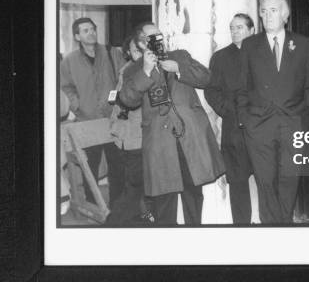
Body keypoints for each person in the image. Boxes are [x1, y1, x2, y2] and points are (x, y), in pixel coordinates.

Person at [118, 22, 225, 224]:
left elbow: (207, 78)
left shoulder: (180, 56)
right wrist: (146, 72)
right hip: (160, 142)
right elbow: (127, 99)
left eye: (160, 35)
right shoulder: (133, 70)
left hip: (189, 137)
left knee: (193, 193)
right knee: (164, 200)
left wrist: (180, 69)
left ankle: (194, 234)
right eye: (152, 37)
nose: (159, 39)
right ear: (142, 43)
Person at [236, 0, 309, 224]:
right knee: (265, 180)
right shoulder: (250, 45)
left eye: (273, 10)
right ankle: (271, 229)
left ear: (285, 14)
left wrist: (308, 119)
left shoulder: (302, 44)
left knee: (289, 178)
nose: (267, 15)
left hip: (293, 124)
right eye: (263, 11)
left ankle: (284, 225)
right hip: (258, 125)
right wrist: (245, 119)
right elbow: (242, 86)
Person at [60, 17, 126, 208]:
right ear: (77, 36)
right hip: (87, 120)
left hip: (113, 119)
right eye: (85, 30)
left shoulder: (112, 53)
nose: (91, 33)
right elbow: (65, 86)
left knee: (117, 164)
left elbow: (124, 77)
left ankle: (117, 205)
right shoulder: (69, 61)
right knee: (90, 165)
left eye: (93, 29)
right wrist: (76, 104)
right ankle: (92, 204)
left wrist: (119, 102)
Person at [205, 13, 255, 224]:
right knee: (238, 182)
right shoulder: (221, 57)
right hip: (234, 129)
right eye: (232, 28)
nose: (235, 31)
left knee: (267, 180)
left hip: (261, 127)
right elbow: (211, 90)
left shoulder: (264, 54)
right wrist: (227, 110)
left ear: (252, 30)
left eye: (240, 27)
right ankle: (241, 228)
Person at [105, 35, 153, 225]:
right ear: (128, 53)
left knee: (138, 188)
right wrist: (116, 130)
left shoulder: (147, 69)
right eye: (135, 51)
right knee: (133, 188)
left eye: (142, 51)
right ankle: (112, 225)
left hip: (141, 138)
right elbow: (118, 104)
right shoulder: (128, 72)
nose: (139, 55)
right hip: (132, 139)